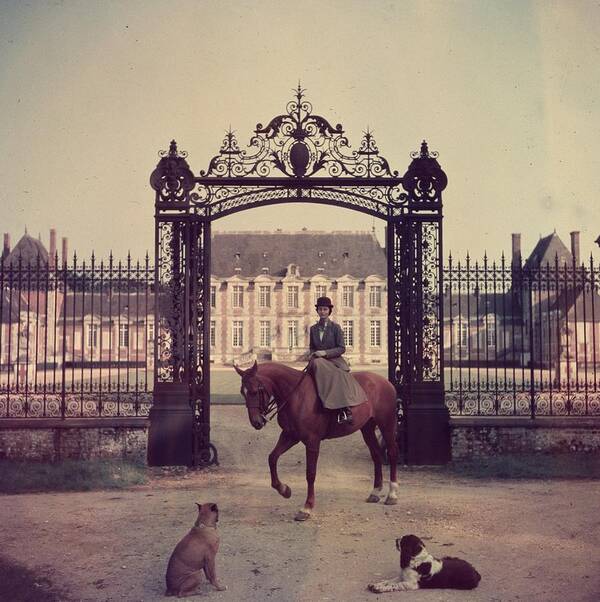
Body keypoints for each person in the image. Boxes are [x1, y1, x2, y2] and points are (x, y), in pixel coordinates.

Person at [308, 296, 367, 424]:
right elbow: (312, 347)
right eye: (320, 309)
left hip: (334, 361)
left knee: (336, 374)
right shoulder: (313, 329)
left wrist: (324, 353)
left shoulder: (336, 327)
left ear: (329, 311)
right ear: (317, 311)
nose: (322, 312)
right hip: (318, 362)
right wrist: (312, 354)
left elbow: (341, 348)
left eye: (325, 309)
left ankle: (344, 410)